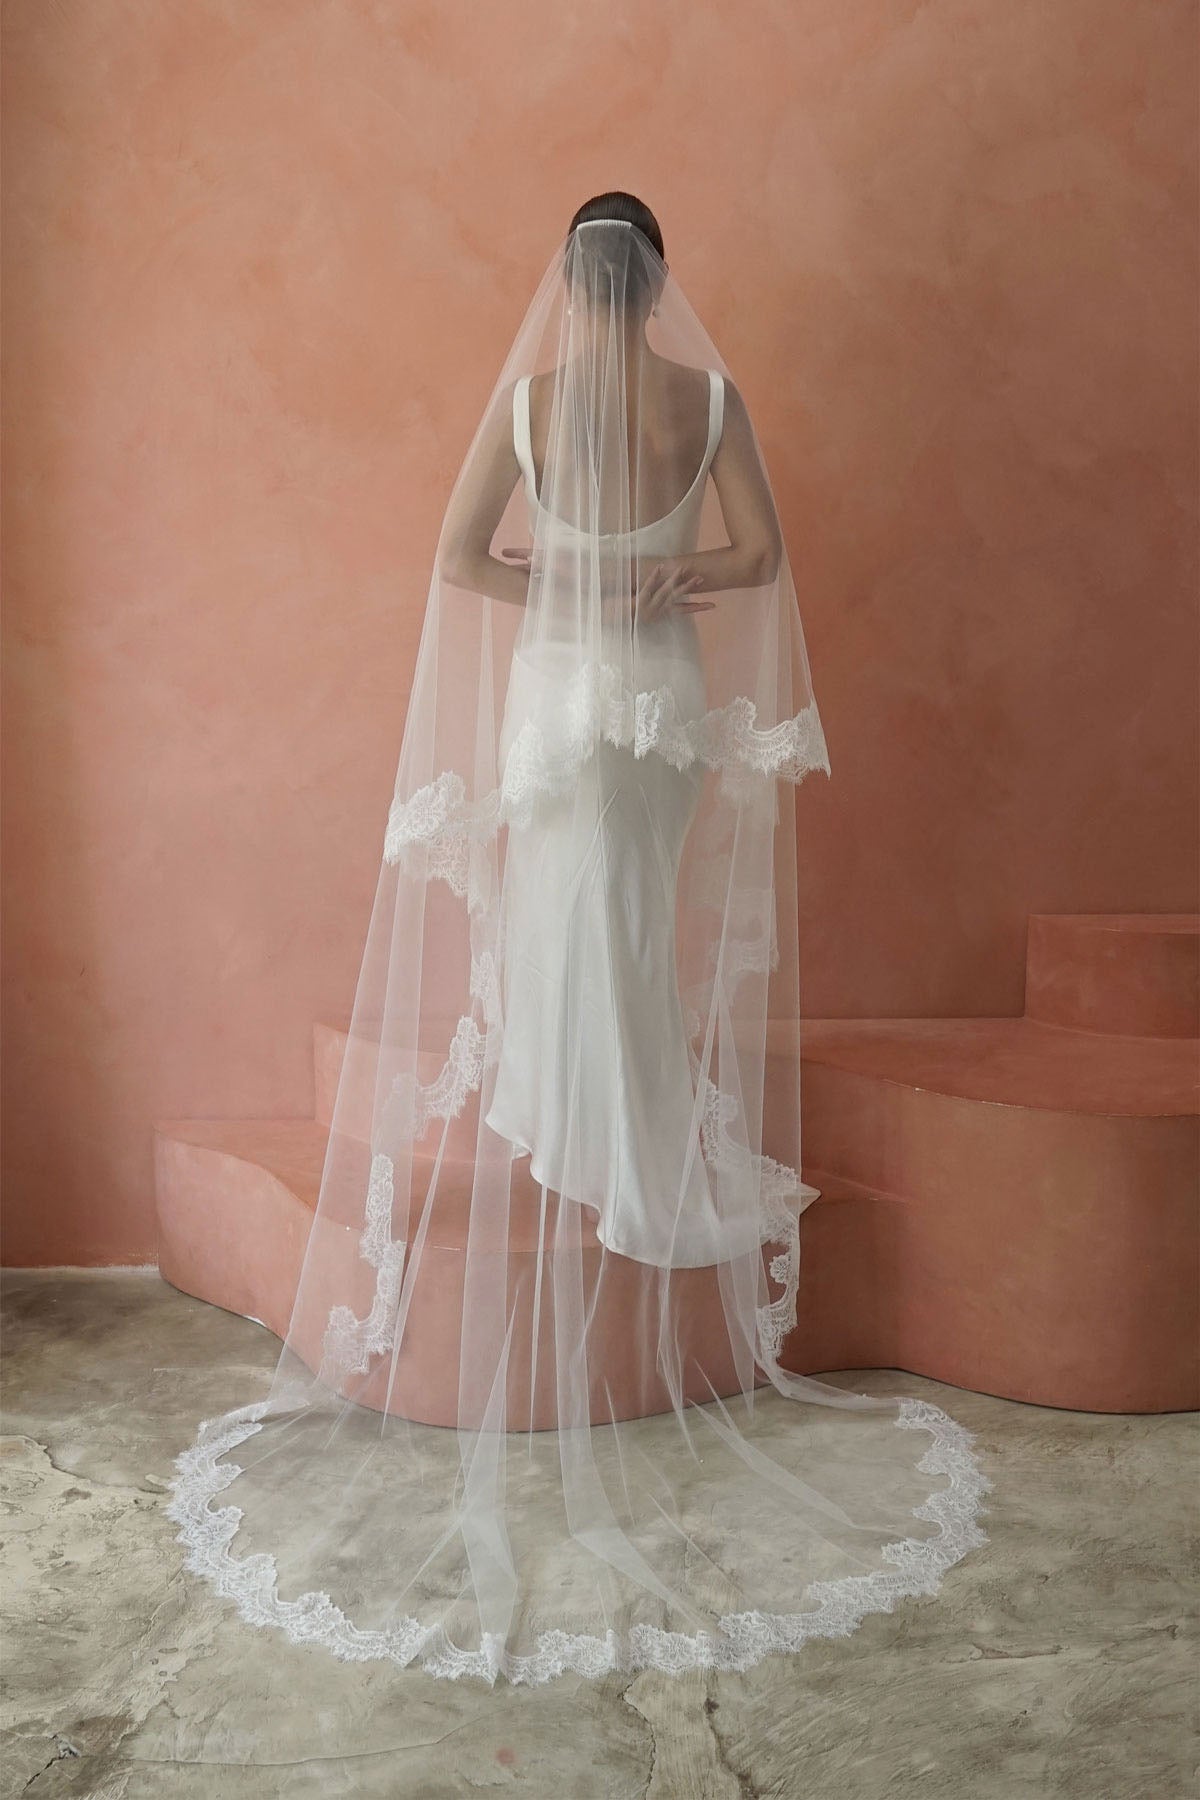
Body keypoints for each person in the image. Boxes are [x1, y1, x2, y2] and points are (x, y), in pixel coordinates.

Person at [167, 193, 988, 1685]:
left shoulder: (535, 402)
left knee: (572, 907)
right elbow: (758, 555)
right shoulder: (708, 397)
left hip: (560, 686)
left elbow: (466, 558)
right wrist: (664, 579)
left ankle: (584, 1128)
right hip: (657, 696)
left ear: (568, 282)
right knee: (626, 913)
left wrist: (570, 576)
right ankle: (628, 1136)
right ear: (661, 280)